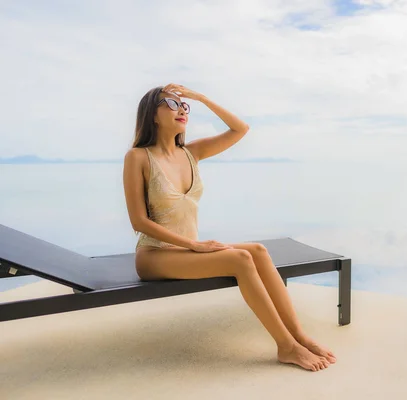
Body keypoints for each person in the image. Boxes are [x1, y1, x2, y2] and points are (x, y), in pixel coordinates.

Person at [122, 83, 336, 372]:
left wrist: (200, 97)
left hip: (186, 253)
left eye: (184, 106)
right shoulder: (138, 157)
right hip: (154, 256)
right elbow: (138, 222)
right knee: (241, 258)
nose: (182, 110)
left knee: (258, 251)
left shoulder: (191, 153)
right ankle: (286, 347)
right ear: (153, 115)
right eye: (171, 104)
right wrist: (195, 245)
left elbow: (240, 129)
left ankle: (299, 337)